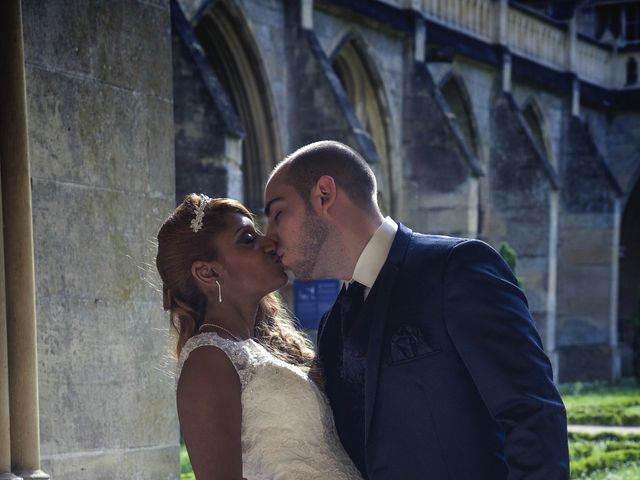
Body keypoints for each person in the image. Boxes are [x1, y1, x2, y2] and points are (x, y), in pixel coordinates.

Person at [263, 140, 570, 479]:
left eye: (278, 214)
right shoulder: (332, 326)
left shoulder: (456, 268)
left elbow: (533, 416)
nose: (268, 236)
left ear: (324, 194)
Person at [155, 194, 363, 479]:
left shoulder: (256, 346)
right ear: (207, 272)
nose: (270, 243)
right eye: (248, 239)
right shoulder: (208, 360)